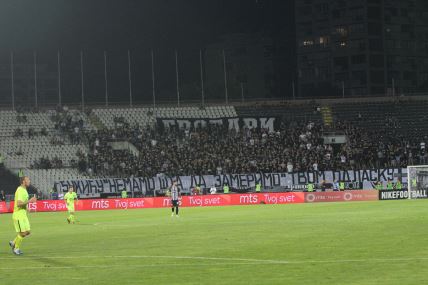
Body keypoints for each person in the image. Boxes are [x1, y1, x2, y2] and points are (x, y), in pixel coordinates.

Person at [9, 176, 37, 255]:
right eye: (28, 180)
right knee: (23, 233)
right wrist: (30, 201)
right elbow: (18, 204)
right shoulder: (20, 190)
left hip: (23, 214)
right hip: (18, 215)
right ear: (23, 181)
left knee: (27, 232)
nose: (29, 181)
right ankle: (16, 248)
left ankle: (13, 242)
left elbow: (23, 203)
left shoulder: (24, 190)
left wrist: (28, 209)